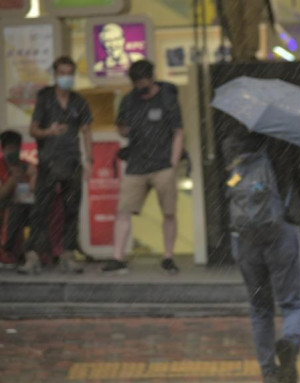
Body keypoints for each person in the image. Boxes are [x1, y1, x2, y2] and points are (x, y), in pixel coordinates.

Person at [222, 130, 300, 383]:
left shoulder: (232, 142)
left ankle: (268, 372)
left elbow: (227, 191)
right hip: (281, 230)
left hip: (244, 236)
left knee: (259, 308)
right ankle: (289, 342)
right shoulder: (289, 139)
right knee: (293, 303)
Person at [101, 60, 183, 274]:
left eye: (143, 82)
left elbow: (178, 132)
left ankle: (168, 256)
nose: (140, 87)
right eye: (136, 83)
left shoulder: (167, 97)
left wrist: (173, 163)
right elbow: (123, 131)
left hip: (163, 163)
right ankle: (118, 257)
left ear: (151, 77)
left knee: (169, 212)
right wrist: (123, 128)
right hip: (136, 163)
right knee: (123, 210)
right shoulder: (129, 100)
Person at [19, 56, 93, 274]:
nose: (66, 77)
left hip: (72, 162)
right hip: (48, 162)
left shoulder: (79, 101)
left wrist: (89, 160)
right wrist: (48, 132)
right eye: (62, 73)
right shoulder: (45, 97)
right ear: (55, 74)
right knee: (40, 210)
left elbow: (87, 131)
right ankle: (33, 255)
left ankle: (68, 254)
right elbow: (33, 130)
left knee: (72, 209)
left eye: (69, 73)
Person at [0, 131, 36, 268]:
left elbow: (28, 196)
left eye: (16, 148)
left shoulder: (25, 165)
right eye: (10, 149)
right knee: (12, 209)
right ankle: (5, 252)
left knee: (36, 210)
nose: (13, 152)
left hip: (21, 205)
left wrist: (32, 177)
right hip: (4, 206)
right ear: (3, 149)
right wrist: (14, 178)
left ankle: (32, 252)